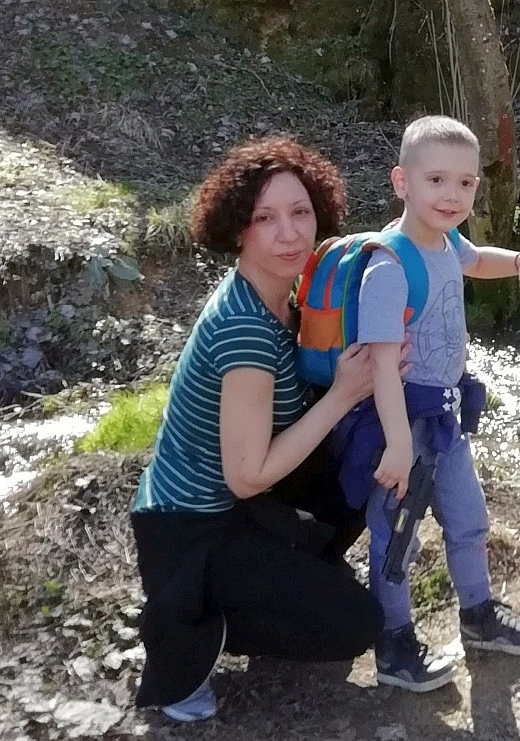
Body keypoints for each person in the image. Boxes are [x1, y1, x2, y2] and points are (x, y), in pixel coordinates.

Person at [130, 136, 389, 722]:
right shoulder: (245, 328)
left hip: (238, 509)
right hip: (189, 531)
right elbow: (246, 476)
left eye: (300, 212)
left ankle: (285, 579)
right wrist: (344, 393)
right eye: (265, 218)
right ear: (238, 229)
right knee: (357, 625)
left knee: (359, 467)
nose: (289, 234)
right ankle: (191, 625)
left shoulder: (286, 293)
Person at [339, 115, 520, 693]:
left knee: (468, 519)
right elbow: (382, 367)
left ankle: (478, 614)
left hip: (444, 419)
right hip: (400, 422)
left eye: (465, 183)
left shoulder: (445, 242)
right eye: (436, 180)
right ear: (402, 182)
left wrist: (519, 261)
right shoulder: (390, 266)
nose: (452, 195)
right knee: (396, 535)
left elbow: (475, 259)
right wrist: (397, 443)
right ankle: (394, 643)